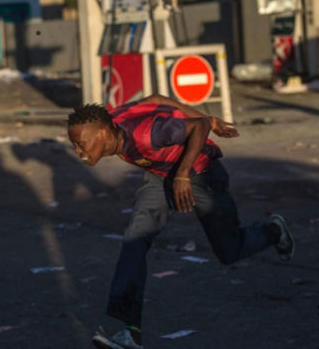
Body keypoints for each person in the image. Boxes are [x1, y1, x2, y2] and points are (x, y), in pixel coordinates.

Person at [66, 94, 295, 349]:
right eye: (74, 144)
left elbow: (199, 128)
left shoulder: (146, 134)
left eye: (81, 144)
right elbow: (156, 98)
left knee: (230, 250)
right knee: (134, 241)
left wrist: (184, 172)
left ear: (102, 134)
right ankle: (129, 331)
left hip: (201, 173)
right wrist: (203, 119)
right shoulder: (115, 119)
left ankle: (274, 231)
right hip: (161, 175)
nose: (78, 151)